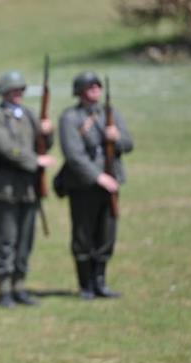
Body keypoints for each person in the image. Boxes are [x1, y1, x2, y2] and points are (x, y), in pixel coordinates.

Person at [0, 71, 55, 308]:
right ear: (4, 92)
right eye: (13, 91)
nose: (18, 95)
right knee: (6, 240)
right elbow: (4, 148)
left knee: (25, 240)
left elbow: (43, 144)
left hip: (27, 189)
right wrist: (35, 161)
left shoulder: (29, 115)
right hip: (4, 188)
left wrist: (47, 131)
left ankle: (19, 286)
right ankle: (4, 289)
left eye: (20, 91)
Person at [57, 72, 134, 299]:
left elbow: (128, 144)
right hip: (84, 185)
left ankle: (100, 281)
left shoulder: (110, 114)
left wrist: (115, 137)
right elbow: (74, 155)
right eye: (90, 87)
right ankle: (85, 284)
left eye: (97, 87)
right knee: (83, 235)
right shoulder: (70, 118)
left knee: (106, 234)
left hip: (111, 182)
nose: (95, 91)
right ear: (80, 91)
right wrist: (98, 177)